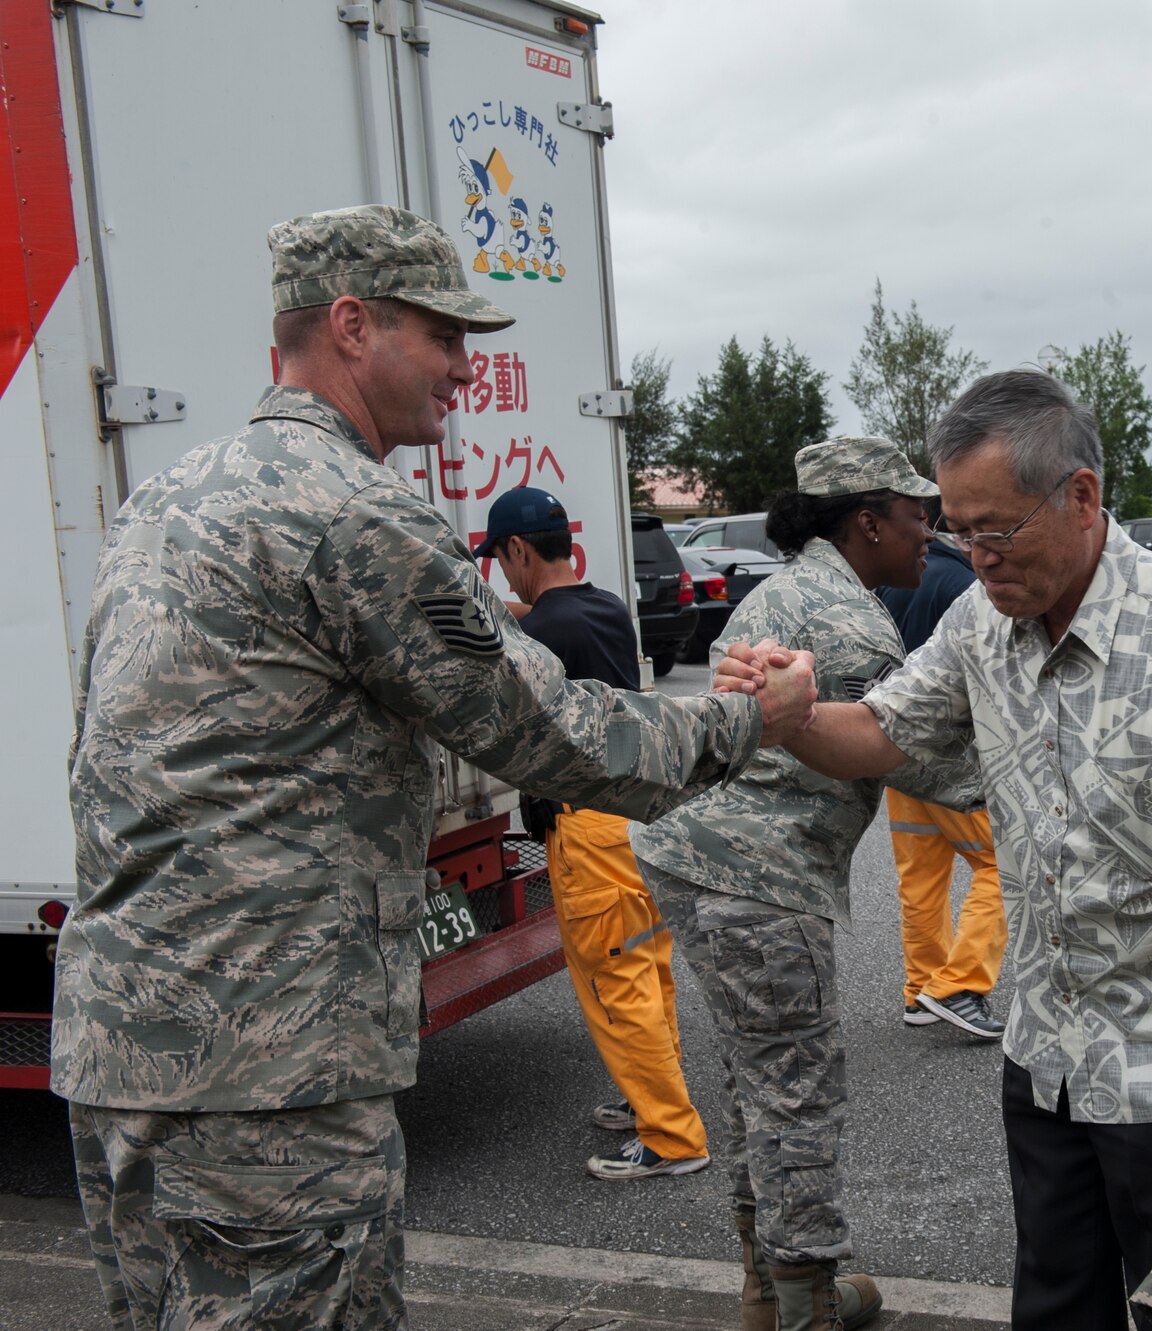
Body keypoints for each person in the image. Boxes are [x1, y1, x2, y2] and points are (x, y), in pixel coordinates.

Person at [53, 204, 818, 1331]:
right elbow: (546, 730)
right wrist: (754, 717)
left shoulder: (168, 498)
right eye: (442, 334)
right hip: (268, 1067)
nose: (466, 366)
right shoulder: (349, 512)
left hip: (124, 1044)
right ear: (352, 325)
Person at [720, 370, 1152, 1330]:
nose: (972, 556)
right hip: (1045, 1059)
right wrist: (789, 713)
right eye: (960, 529)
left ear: (1082, 497)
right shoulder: (982, 625)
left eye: (996, 529)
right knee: (1055, 1308)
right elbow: (880, 732)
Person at [631, 437, 961, 1331]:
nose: (930, 527)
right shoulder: (852, 626)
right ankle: (806, 1302)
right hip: (760, 881)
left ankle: (764, 1292)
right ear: (867, 521)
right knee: (798, 1096)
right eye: (915, 510)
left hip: (691, 857)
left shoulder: (785, 589)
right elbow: (927, 761)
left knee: (757, 1080)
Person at [479, 485, 710, 1181]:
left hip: (585, 829)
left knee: (616, 979)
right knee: (647, 964)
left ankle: (670, 1135)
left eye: (501, 559)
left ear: (519, 549)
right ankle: (652, 1096)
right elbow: (537, 613)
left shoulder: (540, 636)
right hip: (637, 818)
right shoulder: (605, 608)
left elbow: (518, 640)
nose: (502, 575)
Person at [876, 520, 1007, 1039]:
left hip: (897, 754)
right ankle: (958, 986)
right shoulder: (969, 591)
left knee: (921, 880)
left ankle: (922, 991)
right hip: (953, 760)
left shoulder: (893, 583)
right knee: (1007, 863)